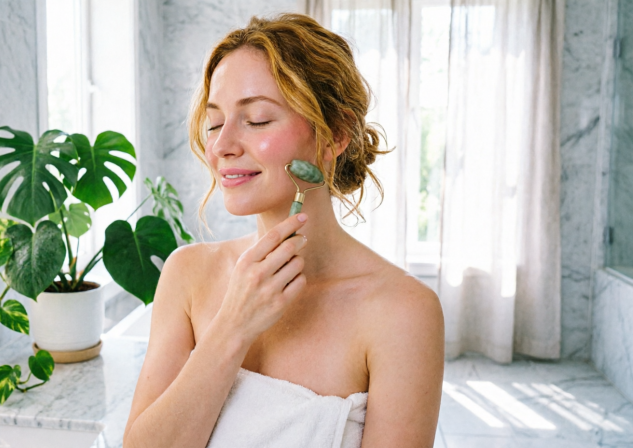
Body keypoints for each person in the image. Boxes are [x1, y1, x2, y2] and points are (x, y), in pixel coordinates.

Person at [123, 13, 444, 448]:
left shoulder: (402, 312)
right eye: (215, 123)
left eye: (256, 119)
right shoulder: (188, 275)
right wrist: (232, 326)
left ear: (335, 134)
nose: (221, 146)